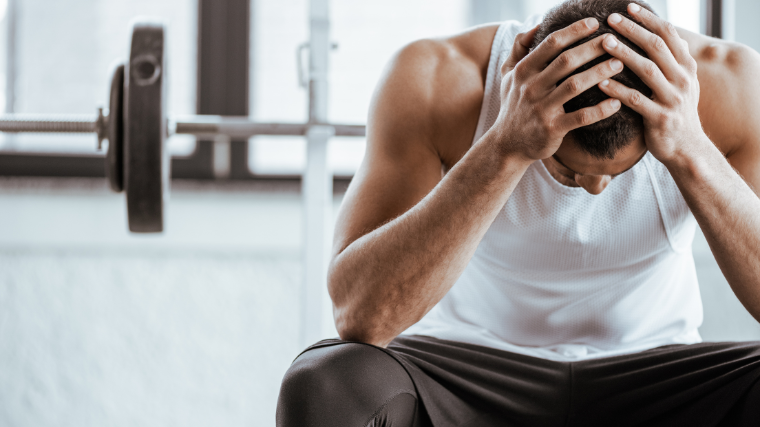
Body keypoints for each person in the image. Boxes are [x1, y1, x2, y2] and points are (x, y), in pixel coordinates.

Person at [277, 0, 760, 425]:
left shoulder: (731, 85)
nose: (595, 188)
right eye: (570, 171)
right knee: (325, 383)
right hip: (467, 374)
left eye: (621, 170)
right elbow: (361, 315)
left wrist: (691, 149)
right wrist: (505, 146)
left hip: (656, 379)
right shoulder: (436, 77)